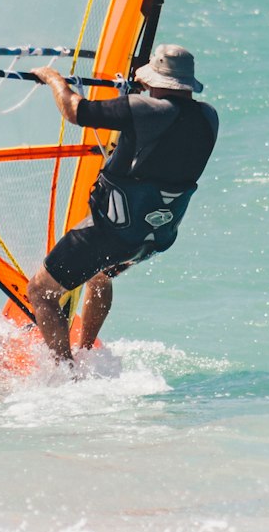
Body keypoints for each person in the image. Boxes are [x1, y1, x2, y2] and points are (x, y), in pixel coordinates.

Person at [27, 43, 218, 366]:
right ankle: (86, 350)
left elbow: (76, 110)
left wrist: (53, 78)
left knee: (41, 292)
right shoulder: (208, 116)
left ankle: (66, 372)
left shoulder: (143, 110)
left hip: (111, 232)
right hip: (155, 236)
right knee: (99, 274)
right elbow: (159, 134)